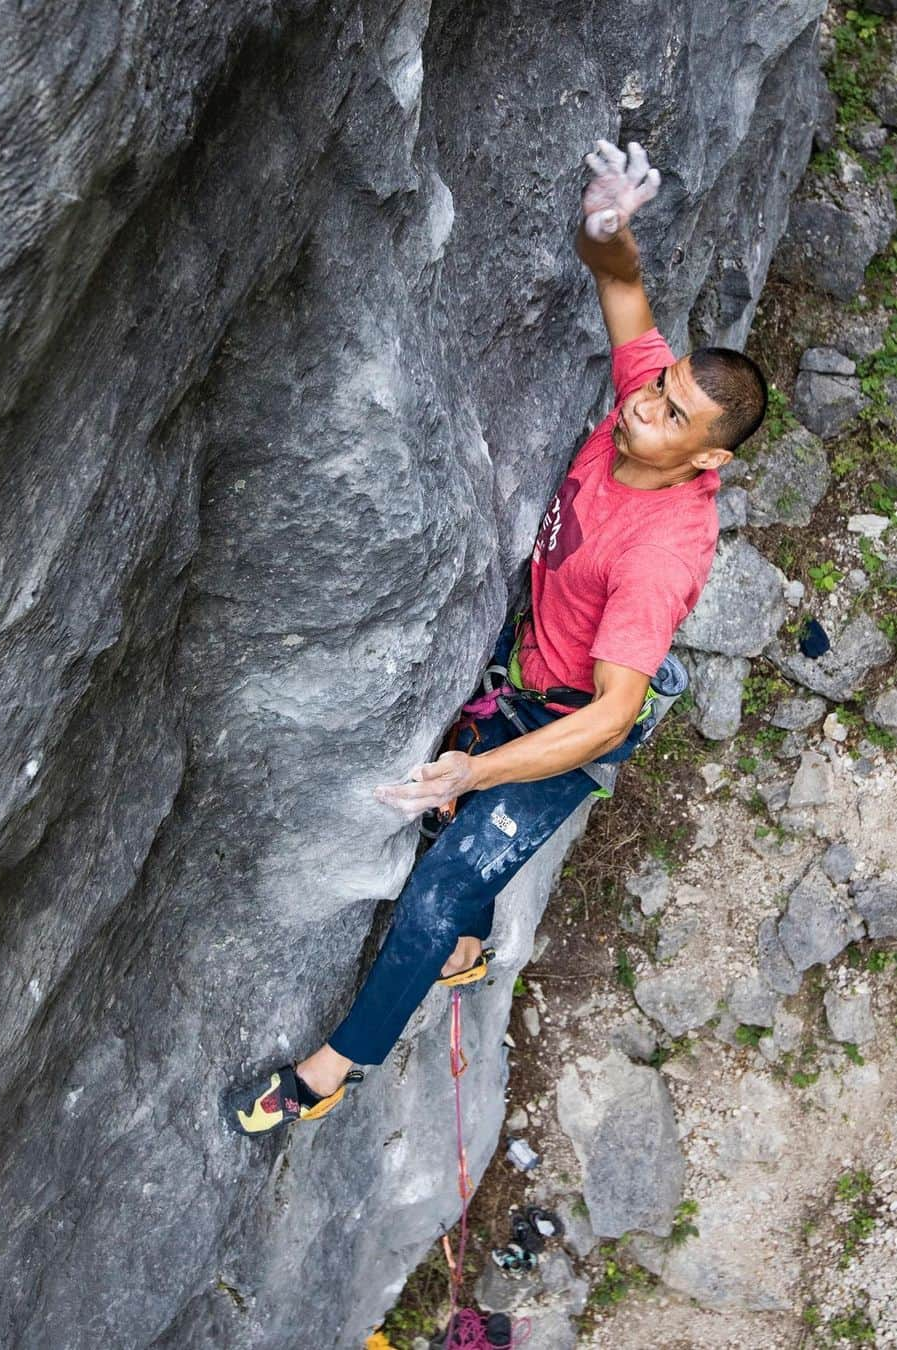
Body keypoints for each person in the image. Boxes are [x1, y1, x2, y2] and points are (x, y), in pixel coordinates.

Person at [223, 137, 767, 1135]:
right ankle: (466, 951)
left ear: (707, 458)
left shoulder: (664, 553)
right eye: (658, 388)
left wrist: (480, 774)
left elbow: (609, 717)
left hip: (571, 720)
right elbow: (628, 305)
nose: (646, 402)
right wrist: (607, 229)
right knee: (449, 827)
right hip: (528, 679)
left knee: (441, 885)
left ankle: (335, 1069)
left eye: (673, 409)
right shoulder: (643, 414)